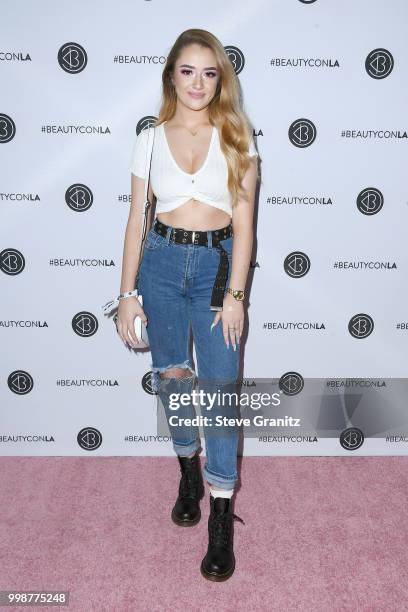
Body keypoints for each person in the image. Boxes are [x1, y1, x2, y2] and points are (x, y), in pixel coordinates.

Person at [117, 29, 258, 582]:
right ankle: (188, 473)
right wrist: (127, 293)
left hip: (217, 270)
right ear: (171, 75)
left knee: (221, 392)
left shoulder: (237, 133)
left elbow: (245, 224)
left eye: (209, 72)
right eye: (187, 71)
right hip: (160, 264)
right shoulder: (150, 138)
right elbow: (135, 220)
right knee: (174, 379)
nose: (198, 83)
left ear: (220, 79)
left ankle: (219, 517)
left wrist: (237, 296)